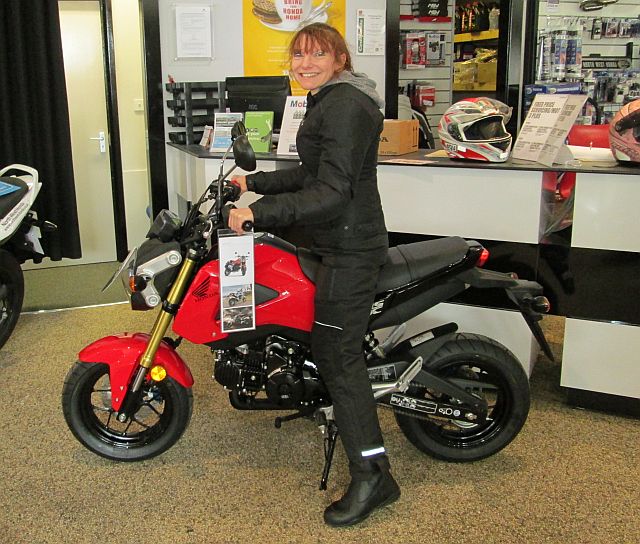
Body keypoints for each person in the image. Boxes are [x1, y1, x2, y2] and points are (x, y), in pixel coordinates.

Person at [228, 23, 399, 527]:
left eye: (317, 54)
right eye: (298, 55)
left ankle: (374, 477)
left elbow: (333, 191)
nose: (304, 63)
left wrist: (260, 214)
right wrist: (252, 183)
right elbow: (310, 172)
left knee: (336, 356)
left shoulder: (345, 105)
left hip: (349, 248)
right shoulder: (328, 99)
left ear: (340, 58)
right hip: (331, 241)